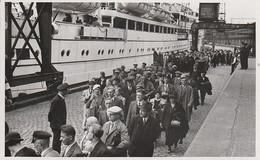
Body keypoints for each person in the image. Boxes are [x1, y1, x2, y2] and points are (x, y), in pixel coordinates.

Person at [48, 83, 69, 153]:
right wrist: (55, 123)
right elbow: (51, 113)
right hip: (56, 125)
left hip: (59, 124)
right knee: (56, 140)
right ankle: (55, 153)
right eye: (66, 90)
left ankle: (57, 152)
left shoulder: (61, 98)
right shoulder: (56, 100)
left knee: (58, 140)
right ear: (62, 91)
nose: (67, 92)